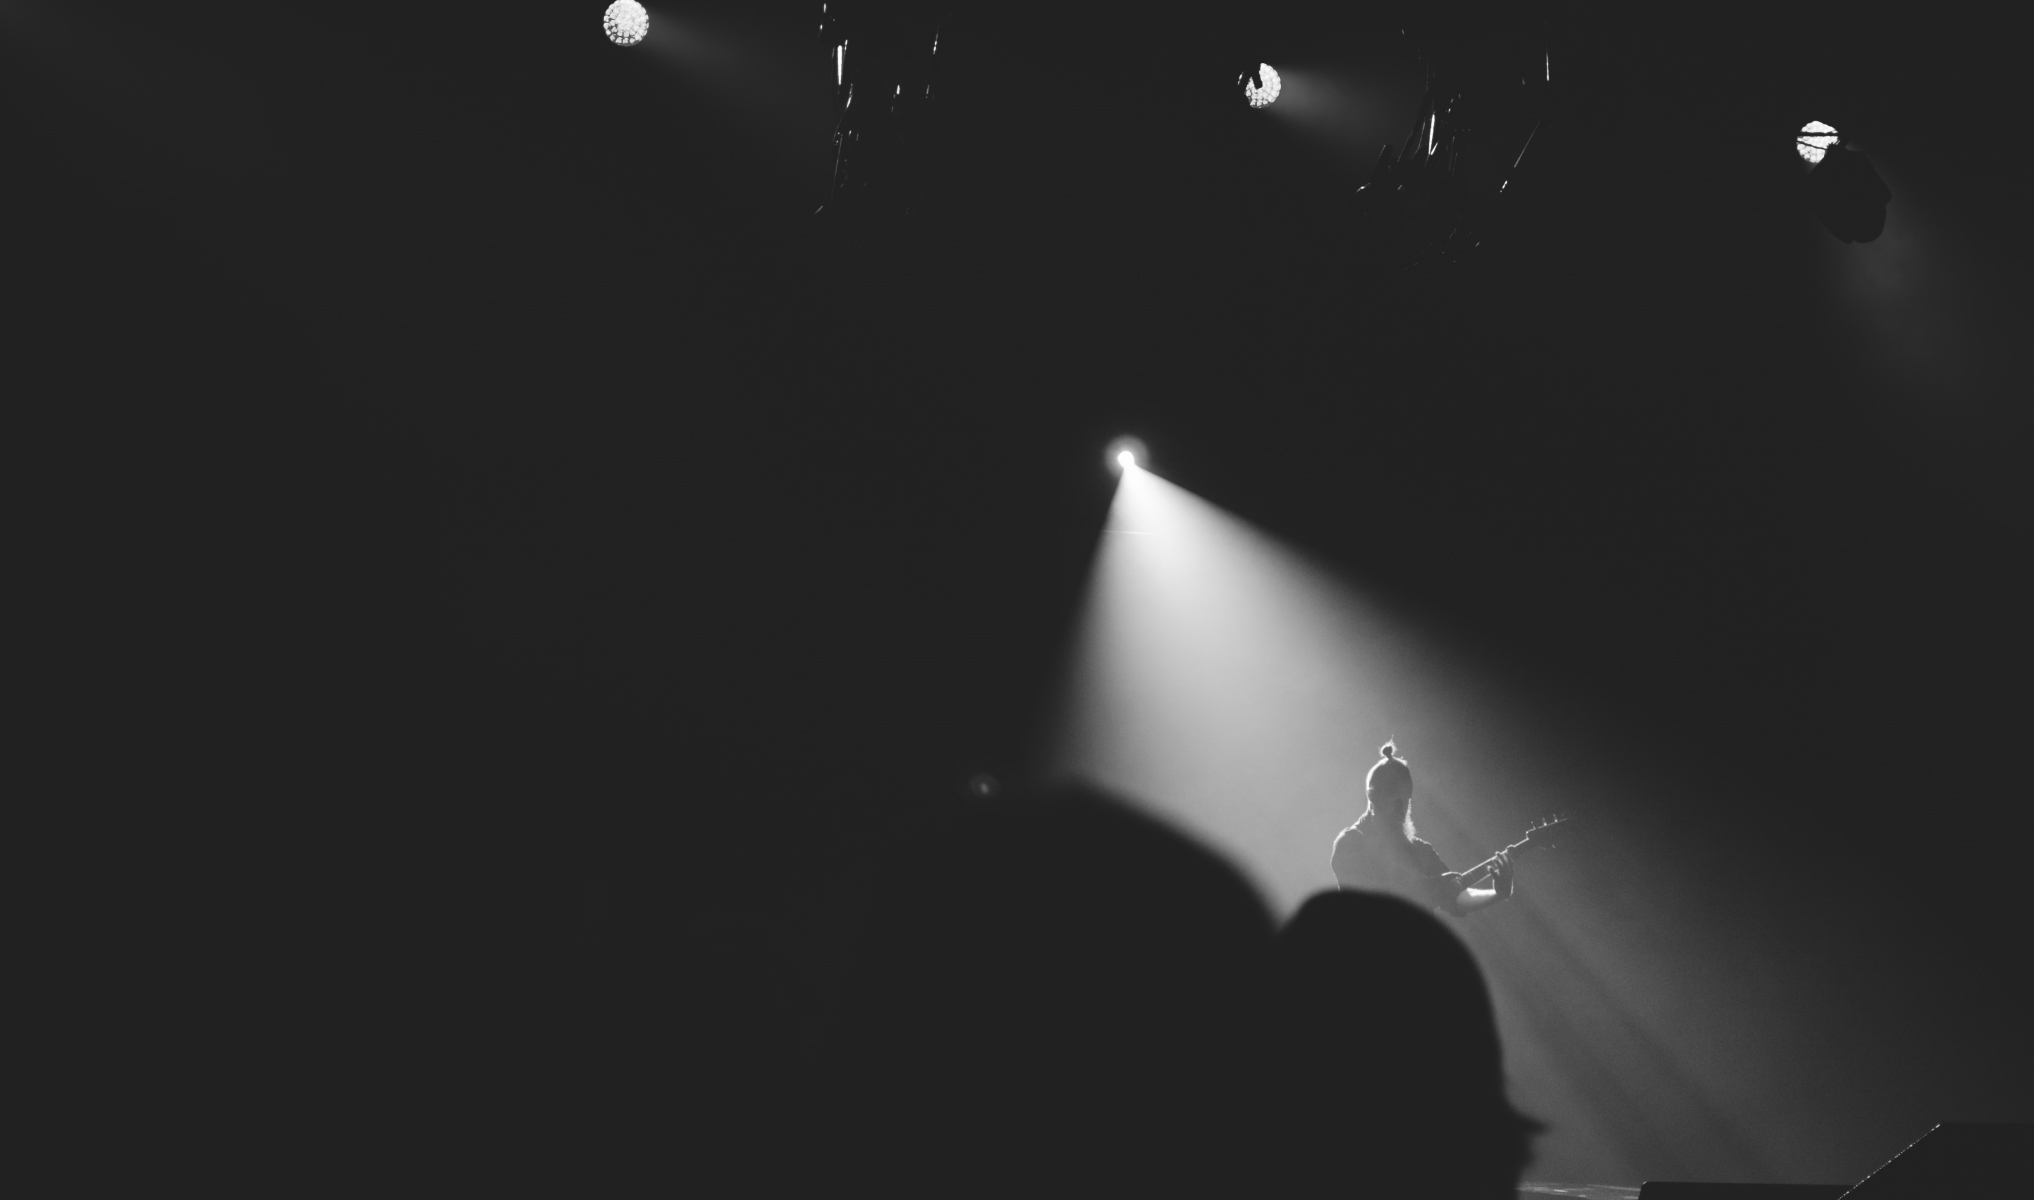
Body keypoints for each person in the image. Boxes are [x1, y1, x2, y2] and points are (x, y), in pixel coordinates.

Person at [1331, 741, 1516, 916]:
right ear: (1372, 797)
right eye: (1395, 802)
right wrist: (1436, 887)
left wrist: (1499, 893)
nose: (1401, 810)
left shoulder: (1420, 850)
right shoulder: (1350, 844)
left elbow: (1457, 896)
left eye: (1405, 801)